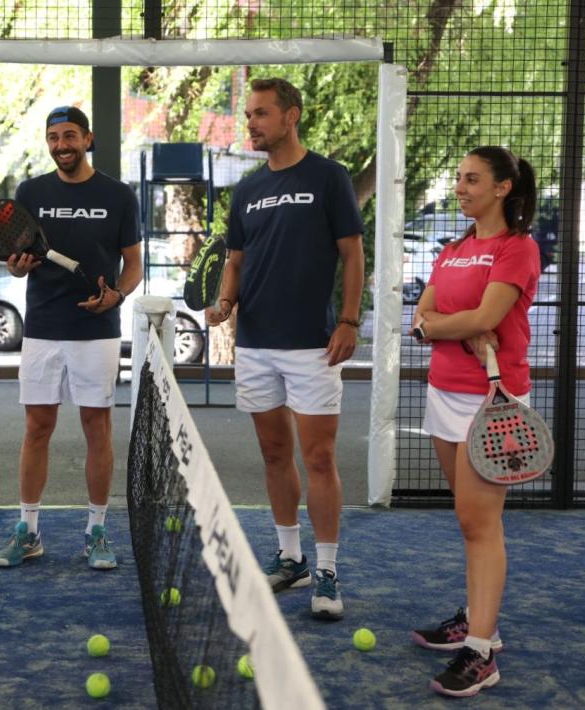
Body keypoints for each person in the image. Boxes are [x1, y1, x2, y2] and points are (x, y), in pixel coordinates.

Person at [206, 78, 365, 620]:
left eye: (261, 114)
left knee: (318, 457)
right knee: (274, 454)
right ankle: (291, 557)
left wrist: (348, 319)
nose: (251, 123)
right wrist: (225, 303)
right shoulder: (246, 189)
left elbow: (352, 253)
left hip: (312, 346)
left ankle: (327, 570)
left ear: (291, 116)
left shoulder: (328, 177)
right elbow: (235, 258)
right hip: (254, 346)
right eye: (248, 115)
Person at [407, 146, 541, 697]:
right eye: (458, 177)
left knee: (479, 523)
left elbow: (488, 317)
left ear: (502, 188)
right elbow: (421, 316)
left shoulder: (518, 248)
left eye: (471, 179)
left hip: (495, 401)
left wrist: (443, 325)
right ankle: (476, 616)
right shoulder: (454, 248)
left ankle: (482, 651)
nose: (460, 187)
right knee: (468, 520)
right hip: (444, 394)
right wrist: (444, 327)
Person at [0, 105, 142, 570]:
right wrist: (15, 267)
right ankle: (29, 532)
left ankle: (97, 531)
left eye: (70, 136)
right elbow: (17, 258)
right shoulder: (31, 192)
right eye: (54, 137)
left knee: (98, 429)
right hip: (42, 328)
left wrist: (116, 296)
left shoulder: (118, 195)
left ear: (88, 139)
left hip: (96, 331)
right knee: (37, 429)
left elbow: (133, 262)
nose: (62, 145)